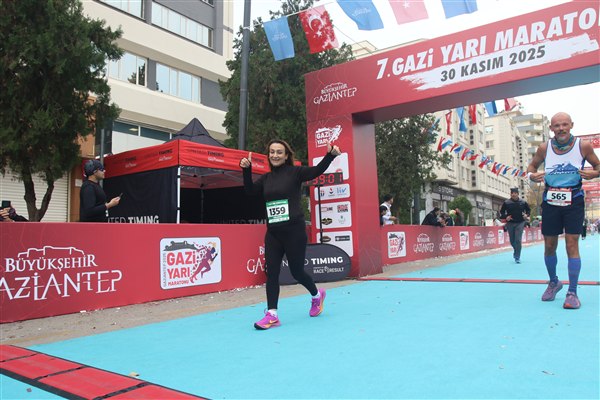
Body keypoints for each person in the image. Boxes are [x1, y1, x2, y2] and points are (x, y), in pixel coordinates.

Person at [240, 139, 341, 330]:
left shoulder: (295, 172)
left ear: (286, 155)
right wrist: (246, 170)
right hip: (273, 233)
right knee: (272, 274)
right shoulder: (266, 178)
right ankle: (272, 314)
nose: (275, 155)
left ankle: (316, 296)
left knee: (297, 272)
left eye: (279, 152)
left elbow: (316, 171)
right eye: (272, 152)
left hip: (294, 232)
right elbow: (250, 191)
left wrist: (330, 156)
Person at [528, 111, 600, 309]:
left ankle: (573, 292)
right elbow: (531, 167)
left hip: (573, 200)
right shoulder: (544, 148)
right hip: (550, 201)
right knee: (549, 245)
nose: (561, 129)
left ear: (571, 125)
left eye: (564, 124)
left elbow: (598, 166)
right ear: (551, 128)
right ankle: (554, 282)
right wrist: (531, 176)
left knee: (571, 244)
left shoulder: (583, 146)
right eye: (557, 125)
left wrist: (594, 174)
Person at [499, 188, 530, 264]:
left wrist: (526, 215)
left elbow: (528, 210)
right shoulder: (506, 202)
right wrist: (506, 217)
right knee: (512, 241)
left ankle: (517, 256)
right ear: (510, 194)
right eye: (512, 193)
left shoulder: (523, 202)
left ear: (518, 194)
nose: (513, 194)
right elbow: (501, 213)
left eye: (515, 193)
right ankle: (516, 251)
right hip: (510, 223)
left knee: (518, 240)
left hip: (520, 222)